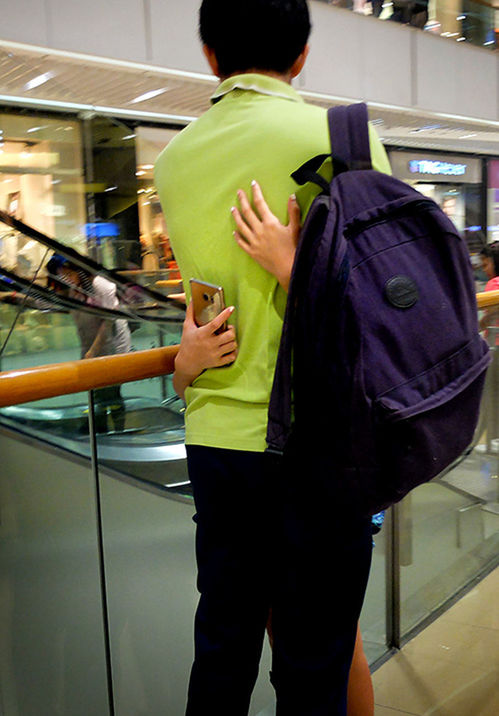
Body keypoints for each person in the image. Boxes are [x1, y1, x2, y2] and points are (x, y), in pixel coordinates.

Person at [154, 1, 391, 713]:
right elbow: (387, 299)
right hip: (321, 446)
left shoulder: (173, 160)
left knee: (222, 651)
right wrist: (303, 273)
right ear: (301, 54)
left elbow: (209, 297)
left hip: (218, 444)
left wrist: (182, 360)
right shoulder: (345, 139)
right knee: (314, 662)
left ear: (208, 54)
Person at [46, 255, 131, 432]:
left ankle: (115, 430)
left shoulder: (100, 285)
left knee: (110, 391)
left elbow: (107, 322)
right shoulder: (74, 289)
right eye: (63, 275)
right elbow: (54, 301)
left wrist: (93, 351)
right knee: (97, 391)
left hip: (112, 345)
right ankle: (101, 429)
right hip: (90, 344)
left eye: (68, 274)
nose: (66, 278)